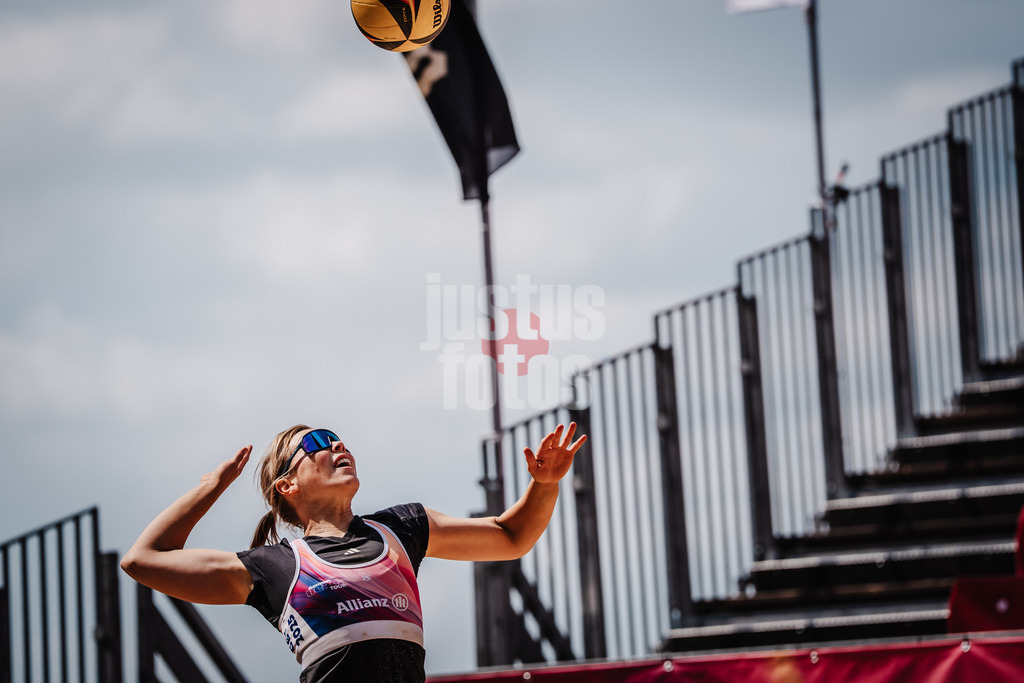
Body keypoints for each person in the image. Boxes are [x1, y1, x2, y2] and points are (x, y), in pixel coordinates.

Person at [120, 422, 586, 682]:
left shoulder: (402, 528)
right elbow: (142, 559)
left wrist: (543, 486)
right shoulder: (278, 566)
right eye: (319, 443)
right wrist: (210, 488)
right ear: (288, 484)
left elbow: (511, 537)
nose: (339, 444)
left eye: (340, 437)